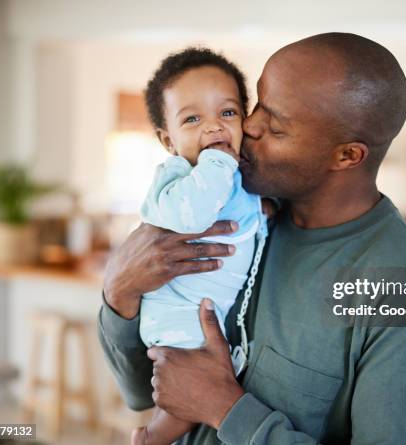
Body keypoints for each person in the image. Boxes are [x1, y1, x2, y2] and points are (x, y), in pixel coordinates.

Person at [99, 32, 406, 444]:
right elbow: (141, 389)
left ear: (347, 155)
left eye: (275, 125)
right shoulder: (238, 214)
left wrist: (226, 410)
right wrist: (120, 290)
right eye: (256, 104)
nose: (247, 125)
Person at [131, 48, 269, 445]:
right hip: (178, 313)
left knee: (202, 379)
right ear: (168, 140)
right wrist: (219, 163)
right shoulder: (179, 179)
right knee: (190, 388)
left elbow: (244, 220)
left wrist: (263, 210)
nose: (213, 128)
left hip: (205, 310)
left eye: (227, 113)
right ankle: (153, 437)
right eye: (192, 119)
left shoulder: (235, 180)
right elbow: (191, 217)